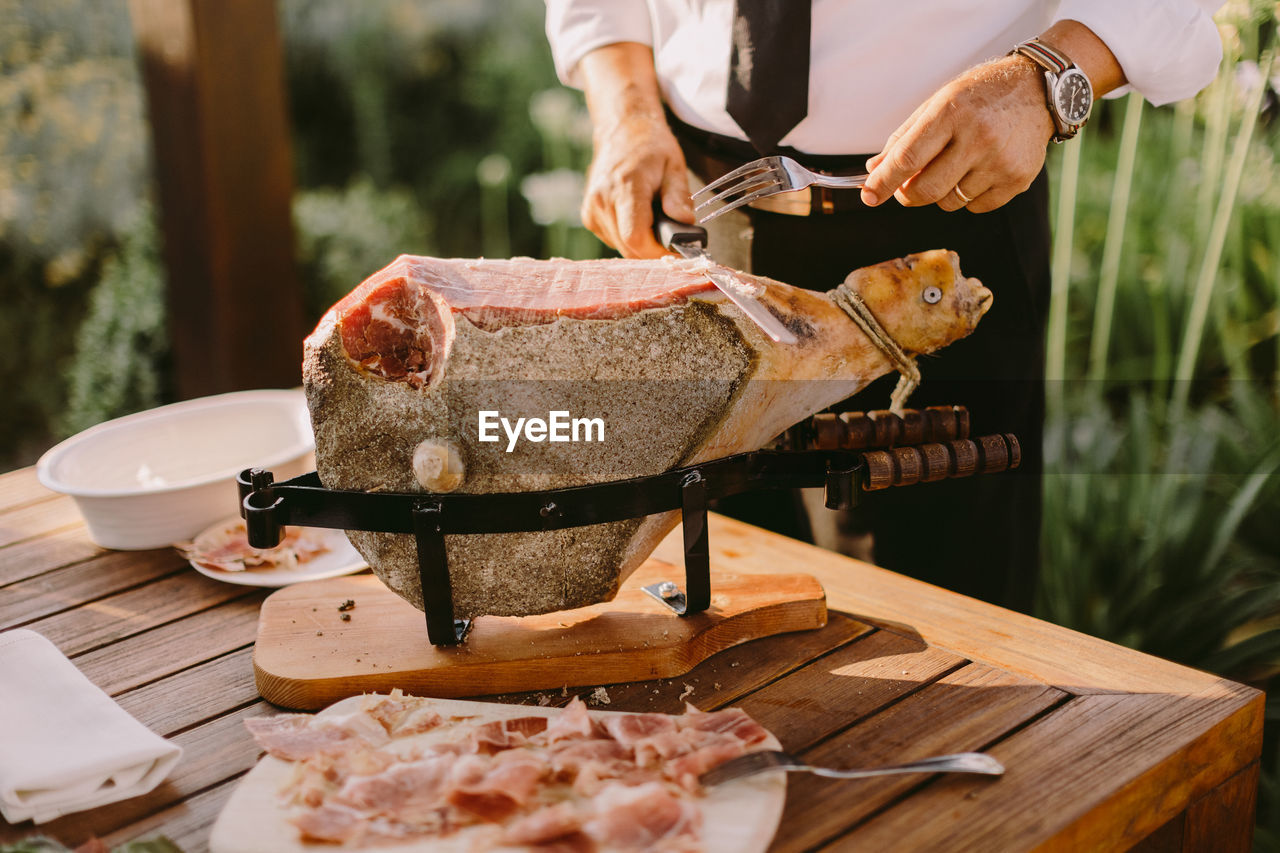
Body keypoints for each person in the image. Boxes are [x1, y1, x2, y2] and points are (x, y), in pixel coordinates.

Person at [544, 1, 1224, 613]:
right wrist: (624, 109)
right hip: (700, 217)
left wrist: (1047, 77)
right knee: (702, 606)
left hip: (943, 229)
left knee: (955, 632)